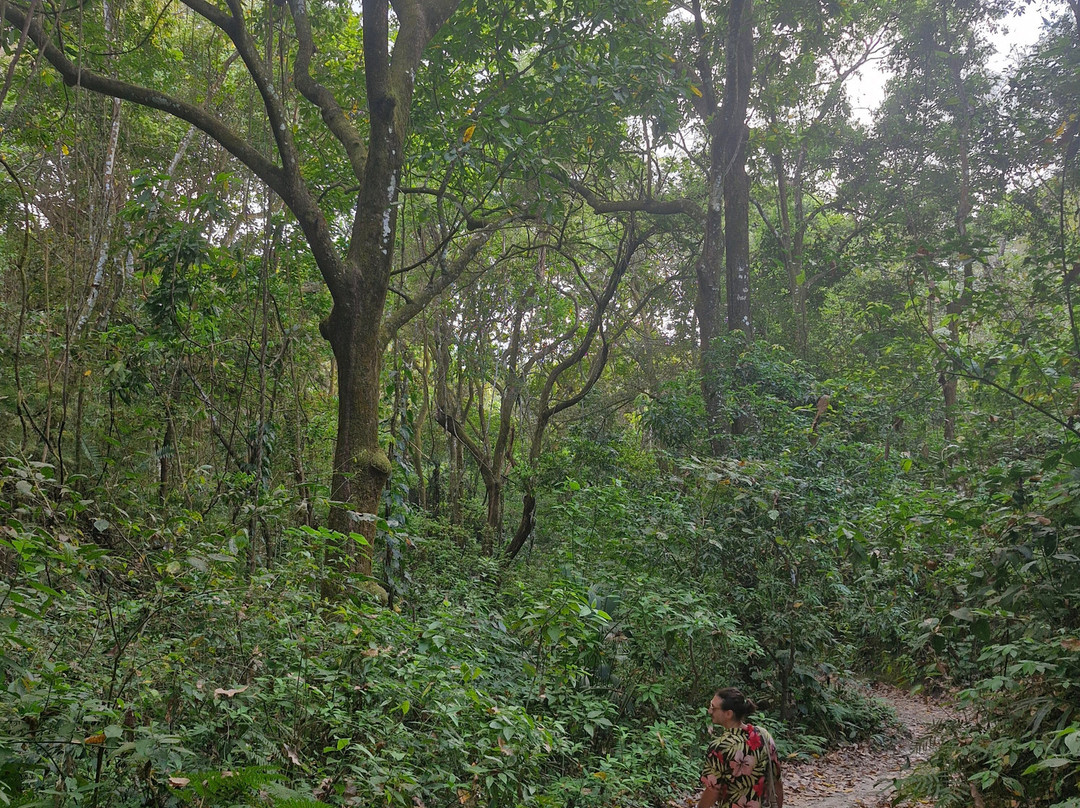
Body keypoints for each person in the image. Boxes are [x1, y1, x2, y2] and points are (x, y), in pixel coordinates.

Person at [697, 687, 784, 808]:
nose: (709, 710)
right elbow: (776, 780)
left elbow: (712, 790)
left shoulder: (720, 747)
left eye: (713, 707)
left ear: (728, 714)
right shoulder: (763, 735)